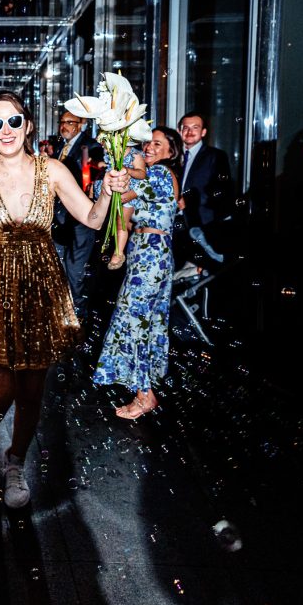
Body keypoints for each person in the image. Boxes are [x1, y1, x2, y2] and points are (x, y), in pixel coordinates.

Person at [0, 91, 129, 509]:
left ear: (28, 125)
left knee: (31, 392)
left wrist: (108, 190)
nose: (6, 130)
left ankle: (15, 462)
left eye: (14, 121)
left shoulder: (52, 170)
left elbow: (92, 218)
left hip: (40, 288)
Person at [93, 126, 181, 419]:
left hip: (152, 253)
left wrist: (117, 168)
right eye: (148, 143)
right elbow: (119, 202)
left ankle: (145, 395)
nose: (149, 147)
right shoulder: (148, 175)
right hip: (143, 252)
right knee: (144, 321)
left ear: (171, 151)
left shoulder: (161, 174)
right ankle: (144, 389)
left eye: (157, 144)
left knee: (135, 320)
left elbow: (123, 192)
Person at [52, 109, 106, 314]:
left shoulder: (90, 147)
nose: (64, 126)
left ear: (81, 124)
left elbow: (96, 173)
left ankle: (78, 315)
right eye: (62, 122)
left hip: (80, 217)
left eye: (69, 122)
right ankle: (63, 311)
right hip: (60, 218)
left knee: (76, 269)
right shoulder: (60, 147)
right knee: (59, 266)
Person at [177, 111, 233, 267]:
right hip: (177, 224)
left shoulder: (215, 156)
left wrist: (188, 202)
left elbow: (222, 192)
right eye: (185, 128)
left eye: (195, 127)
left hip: (203, 224)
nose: (189, 132)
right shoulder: (174, 156)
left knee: (205, 269)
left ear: (203, 132)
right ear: (179, 131)